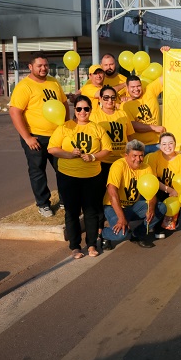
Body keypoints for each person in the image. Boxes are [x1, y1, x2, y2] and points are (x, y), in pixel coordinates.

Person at [48, 96, 112, 258]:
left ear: (91, 110)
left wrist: (93, 157)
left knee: (91, 212)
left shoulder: (97, 128)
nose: (82, 112)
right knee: (72, 212)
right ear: (74, 110)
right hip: (68, 177)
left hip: (92, 177)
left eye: (86, 109)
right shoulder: (65, 127)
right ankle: (75, 246)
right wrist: (69, 155)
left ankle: (91, 245)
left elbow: (107, 149)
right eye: (79, 109)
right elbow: (52, 149)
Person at [9, 52, 69, 217]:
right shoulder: (24, 86)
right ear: (30, 67)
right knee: (38, 171)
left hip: (57, 135)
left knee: (64, 169)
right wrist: (27, 137)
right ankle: (43, 204)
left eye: (45, 65)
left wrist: (67, 126)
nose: (43, 68)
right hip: (35, 137)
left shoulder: (53, 81)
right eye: (39, 66)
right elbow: (15, 112)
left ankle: (65, 201)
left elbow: (63, 104)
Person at [90, 84, 135, 246]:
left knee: (120, 196)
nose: (109, 100)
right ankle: (101, 232)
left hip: (121, 162)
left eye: (112, 97)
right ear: (100, 99)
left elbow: (130, 138)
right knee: (102, 199)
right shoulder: (94, 116)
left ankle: (119, 226)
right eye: (106, 97)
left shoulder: (122, 114)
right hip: (103, 164)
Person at [101, 139, 166, 249]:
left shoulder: (146, 167)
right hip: (113, 207)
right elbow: (112, 193)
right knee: (122, 233)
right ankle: (103, 234)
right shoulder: (118, 165)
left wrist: (151, 208)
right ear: (126, 155)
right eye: (134, 155)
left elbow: (152, 192)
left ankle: (137, 234)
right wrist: (121, 218)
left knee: (161, 208)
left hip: (133, 206)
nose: (138, 159)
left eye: (141, 156)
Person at [145, 132, 181, 232]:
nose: (167, 147)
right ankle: (155, 222)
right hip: (160, 189)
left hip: (175, 190)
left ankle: (170, 218)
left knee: (170, 223)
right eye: (164, 144)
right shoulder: (154, 157)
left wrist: (175, 192)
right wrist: (169, 190)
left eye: (170, 143)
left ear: (175, 144)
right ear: (160, 145)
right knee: (156, 196)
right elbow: (153, 181)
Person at [122, 75, 165, 155]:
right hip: (139, 146)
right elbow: (133, 125)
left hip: (158, 143)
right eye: (132, 87)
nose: (136, 89)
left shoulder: (149, 91)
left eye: (138, 86)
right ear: (127, 88)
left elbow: (165, 77)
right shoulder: (125, 105)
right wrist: (154, 127)